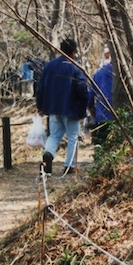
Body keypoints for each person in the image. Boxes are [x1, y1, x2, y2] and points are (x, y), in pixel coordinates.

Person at [36, 38, 88, 175]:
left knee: (54, 135)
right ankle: (70, 165)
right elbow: (82, 89)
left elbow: (40, 87)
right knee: (73, 137)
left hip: (53, 107)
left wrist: (40, 105)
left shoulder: (49, 66)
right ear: (73, 52)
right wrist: (84, 106)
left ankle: (48, 154)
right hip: (71, 108)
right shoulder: (75, 67)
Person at [88, 50, 114, 146]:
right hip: (120, 115)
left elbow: (91, 94)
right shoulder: (125, 74)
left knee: (101, 143)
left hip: (102, 114)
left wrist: (91, 108)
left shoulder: (99, 73)